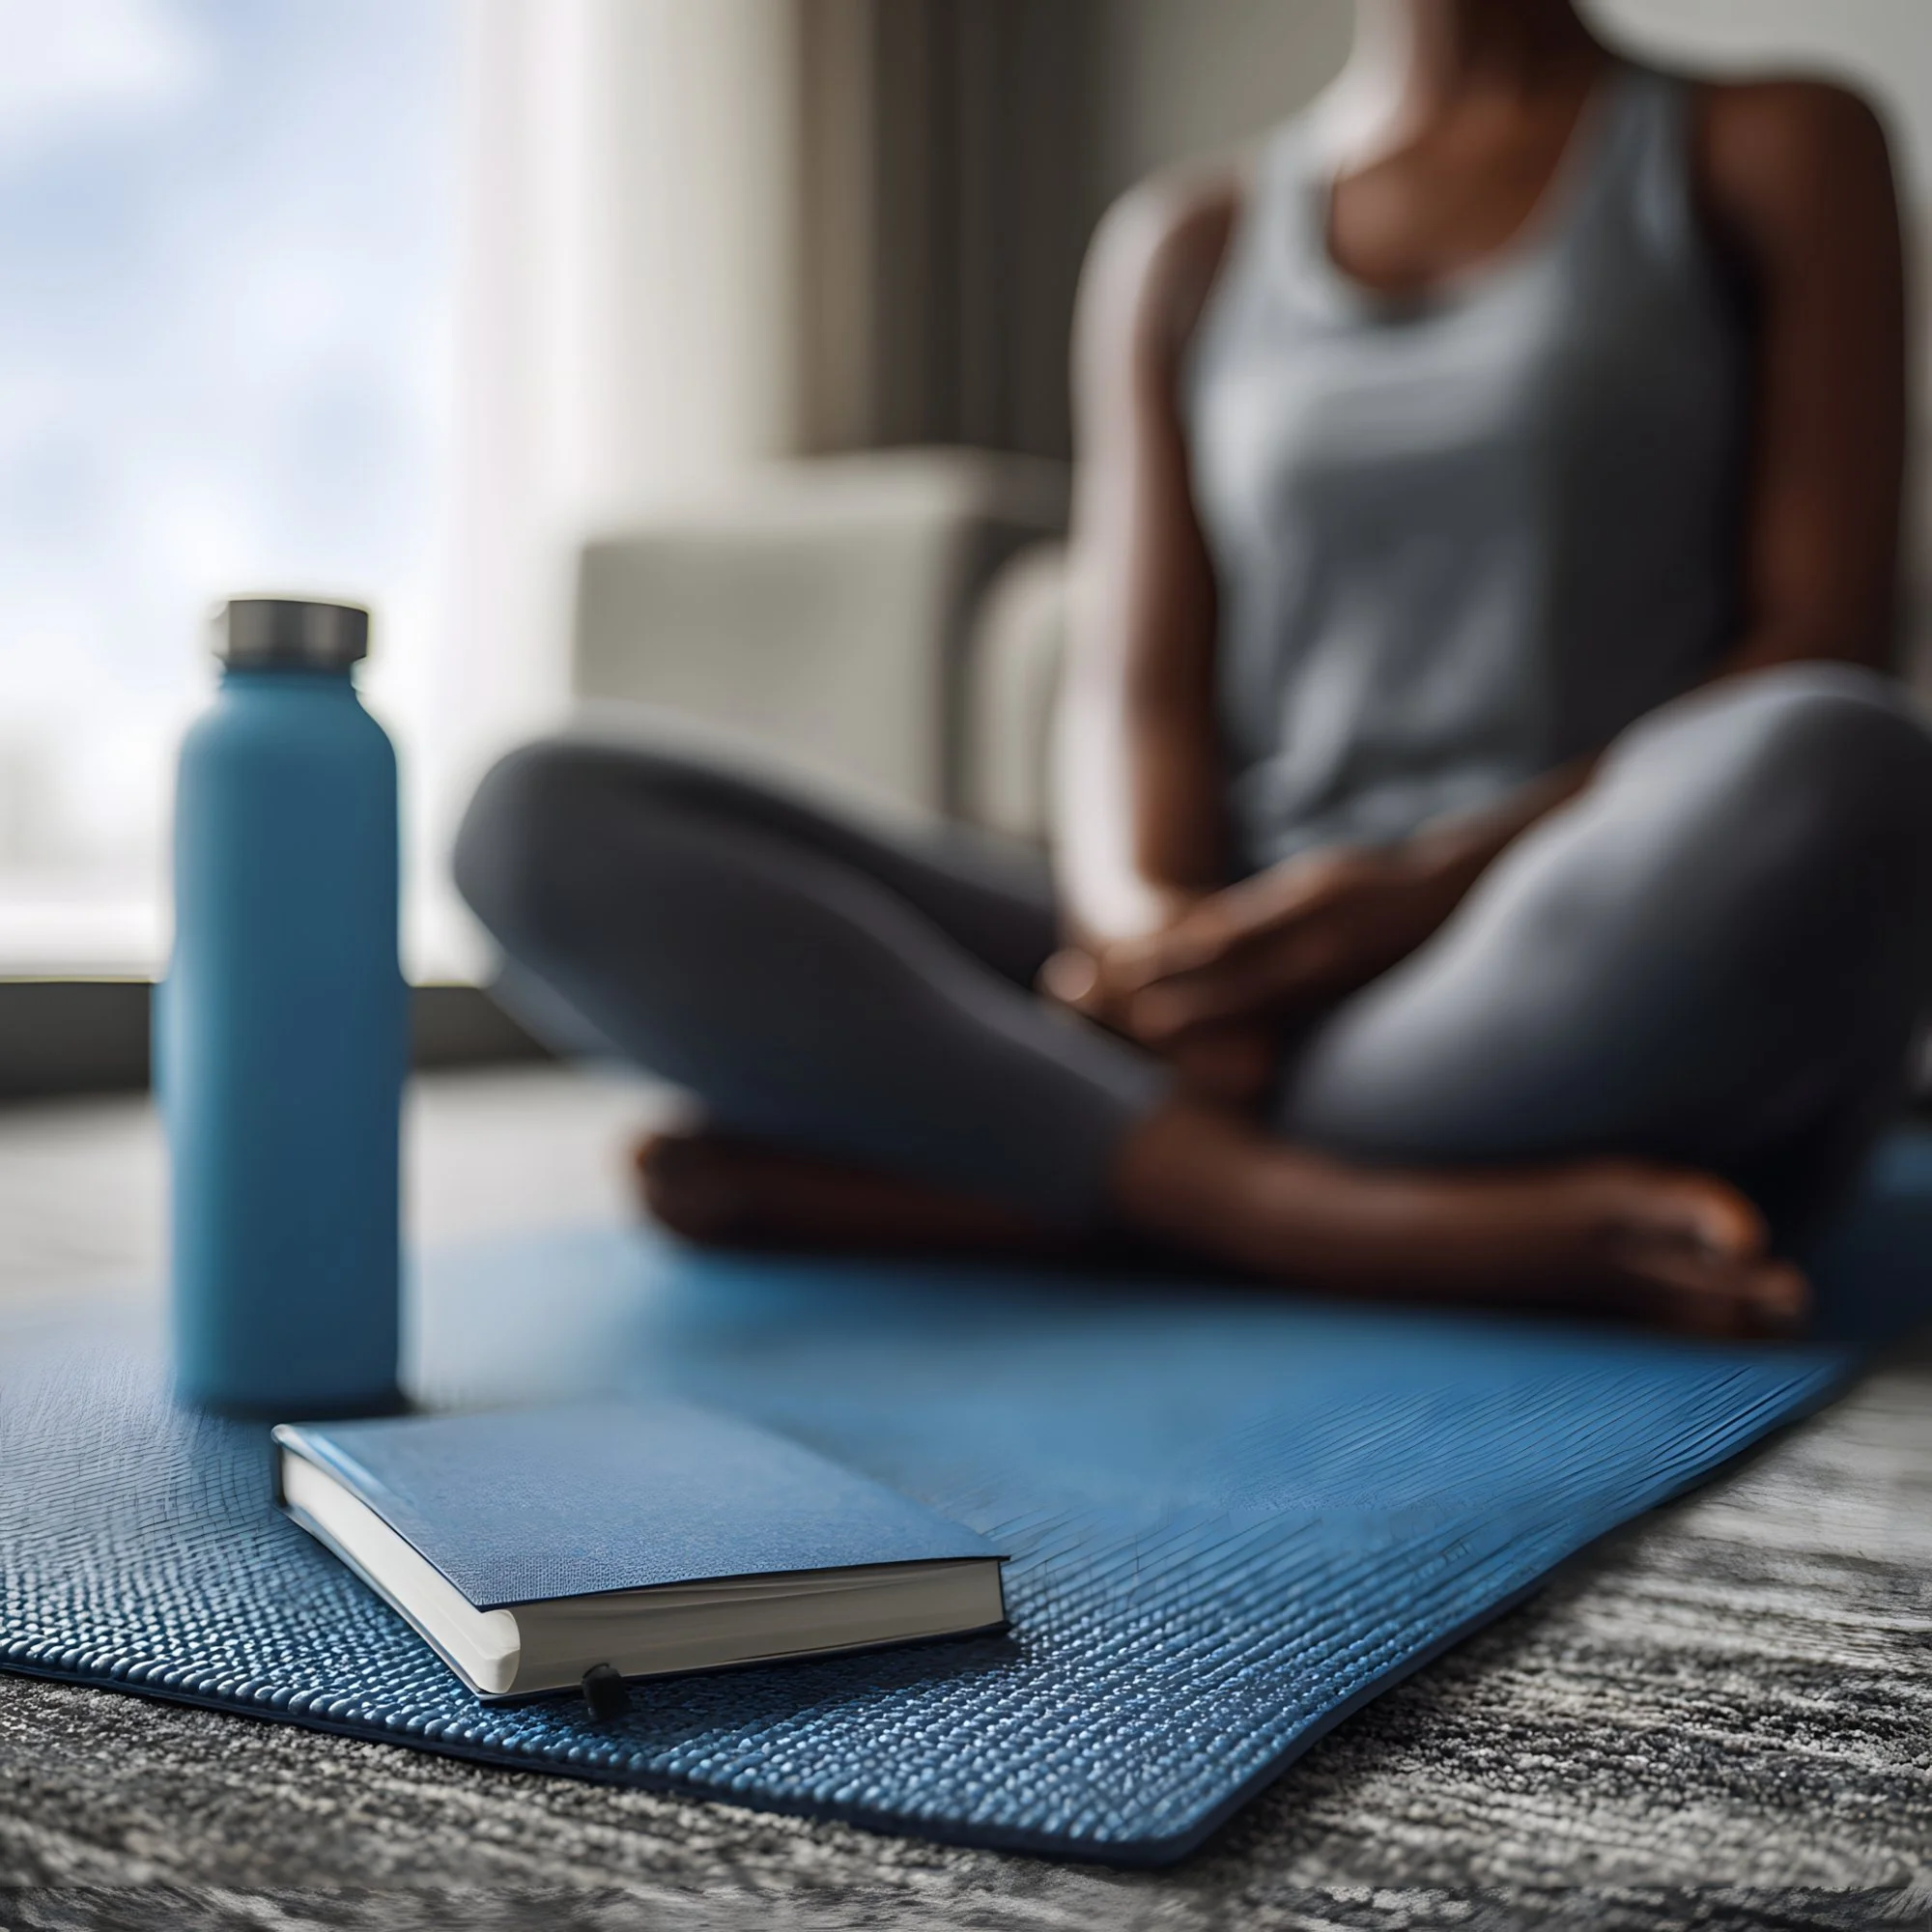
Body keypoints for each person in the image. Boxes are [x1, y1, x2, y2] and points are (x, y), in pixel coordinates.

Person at [456, 0, 1932, 1340]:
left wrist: (1397, 902)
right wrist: (1155, 944)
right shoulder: (1191, 240)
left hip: (1539, 955)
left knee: (1838, 758)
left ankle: (1025, 1173)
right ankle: (1334, 1221)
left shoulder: (1776, 145)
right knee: (537, 816)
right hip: (1241, 964)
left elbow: (1811, 637)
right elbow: (1131, 692)